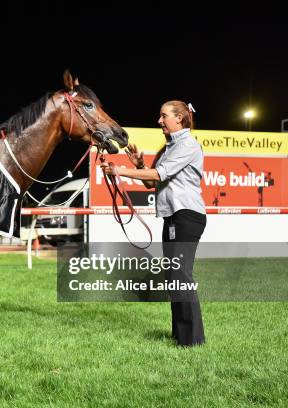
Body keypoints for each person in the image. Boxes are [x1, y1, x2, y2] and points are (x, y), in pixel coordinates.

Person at [100, 100, 207, 347]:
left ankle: (192, 340)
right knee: (173, 276)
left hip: (187, 216)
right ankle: (181, 334)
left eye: (164, 116)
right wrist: (139, 165)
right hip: (173, 217)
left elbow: (158, 175)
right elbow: (152, 183)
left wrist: (120, 171)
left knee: (180, 275)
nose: (159, 121)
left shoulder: (188, 144)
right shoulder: (170, 148)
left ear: (179, 118)